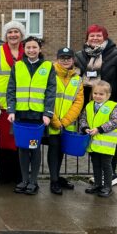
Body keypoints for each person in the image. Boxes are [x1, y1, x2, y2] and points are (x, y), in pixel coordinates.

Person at [75, 25, 117, 186]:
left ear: (105, 37)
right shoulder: (80, 56)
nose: (95, 38)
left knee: (109, 141)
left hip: (110, 107)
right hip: (89, 107)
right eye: (91, 35)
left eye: (98, 36)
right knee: (93, 140)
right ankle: (99, 174)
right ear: (87, 38)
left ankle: (111, 174)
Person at [7, 36, 56, 195]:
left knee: (34, 148)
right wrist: (11, 110)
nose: (31, 50)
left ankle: (33, 182)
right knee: (22, 148)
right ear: (24, 49)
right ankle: (24, 180)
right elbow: (11, 89)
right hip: (21, 115)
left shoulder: (48, 67)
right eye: (28, 47)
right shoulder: (18, 66)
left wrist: (48, 113)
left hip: (37, 116)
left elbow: (51, 91)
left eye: (34, 47)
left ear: (40, 49)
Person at [0, 20, 25, 183]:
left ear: (21, 35)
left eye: (16, 31)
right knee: (2, 141)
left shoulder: (28, 50)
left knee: (18, 141)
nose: (13, 35)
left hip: (22, 104)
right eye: (10, 32)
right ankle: (3, 176)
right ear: (5, 35)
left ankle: (19, 176)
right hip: (0, 105)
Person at [46, 47, 84, 195]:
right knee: (54, 148)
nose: (66, 60)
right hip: (51, 120)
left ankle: (56, 176)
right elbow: (45, 97)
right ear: (57, 59)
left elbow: (78, 102)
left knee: (61, 149)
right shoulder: (50, 74)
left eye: (68, 58)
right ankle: (54, 181)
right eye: (62, 58)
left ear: (73, 60)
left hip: (67, 123)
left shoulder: (77, 79)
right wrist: (55, 120)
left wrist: (66, 121)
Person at [81, 80, 117, 198]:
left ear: (108, 95)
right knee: (95, 164)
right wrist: (85, 128)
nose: (97, 96)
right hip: (94, 142)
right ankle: (97, 184)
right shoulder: (89, 105)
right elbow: (83, 119)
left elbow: (115, 122)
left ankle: (107, 187)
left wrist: (99, 129)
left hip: (106, 144)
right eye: (95, 93)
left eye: (101, 94)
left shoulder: (113, 107)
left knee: (106, 165)